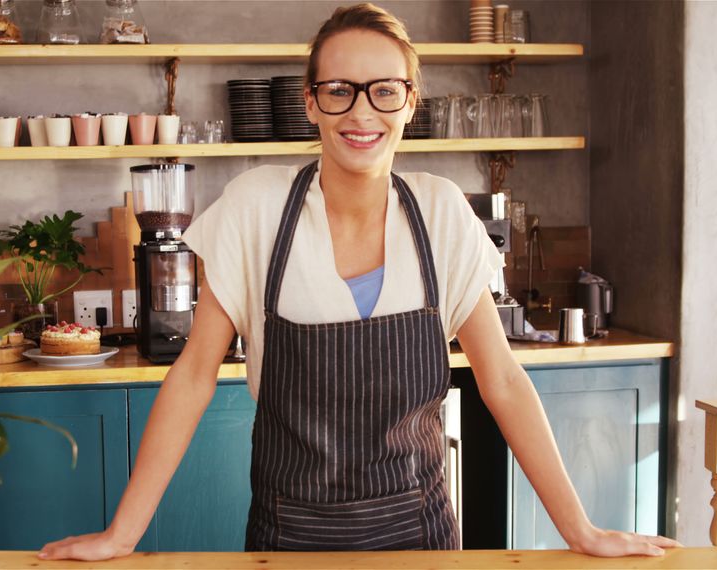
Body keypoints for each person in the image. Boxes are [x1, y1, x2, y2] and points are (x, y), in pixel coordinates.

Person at [39, 3, 680, 559]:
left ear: (409, 103)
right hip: (288, 541)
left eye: (384, 90)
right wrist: (122, 533)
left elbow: (504, 380)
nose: (361, 111)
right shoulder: (256, 208)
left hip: (421, 539)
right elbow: (193, 375)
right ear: (311, 101)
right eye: (340, 89)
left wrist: (580, 529)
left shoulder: (440, 211)